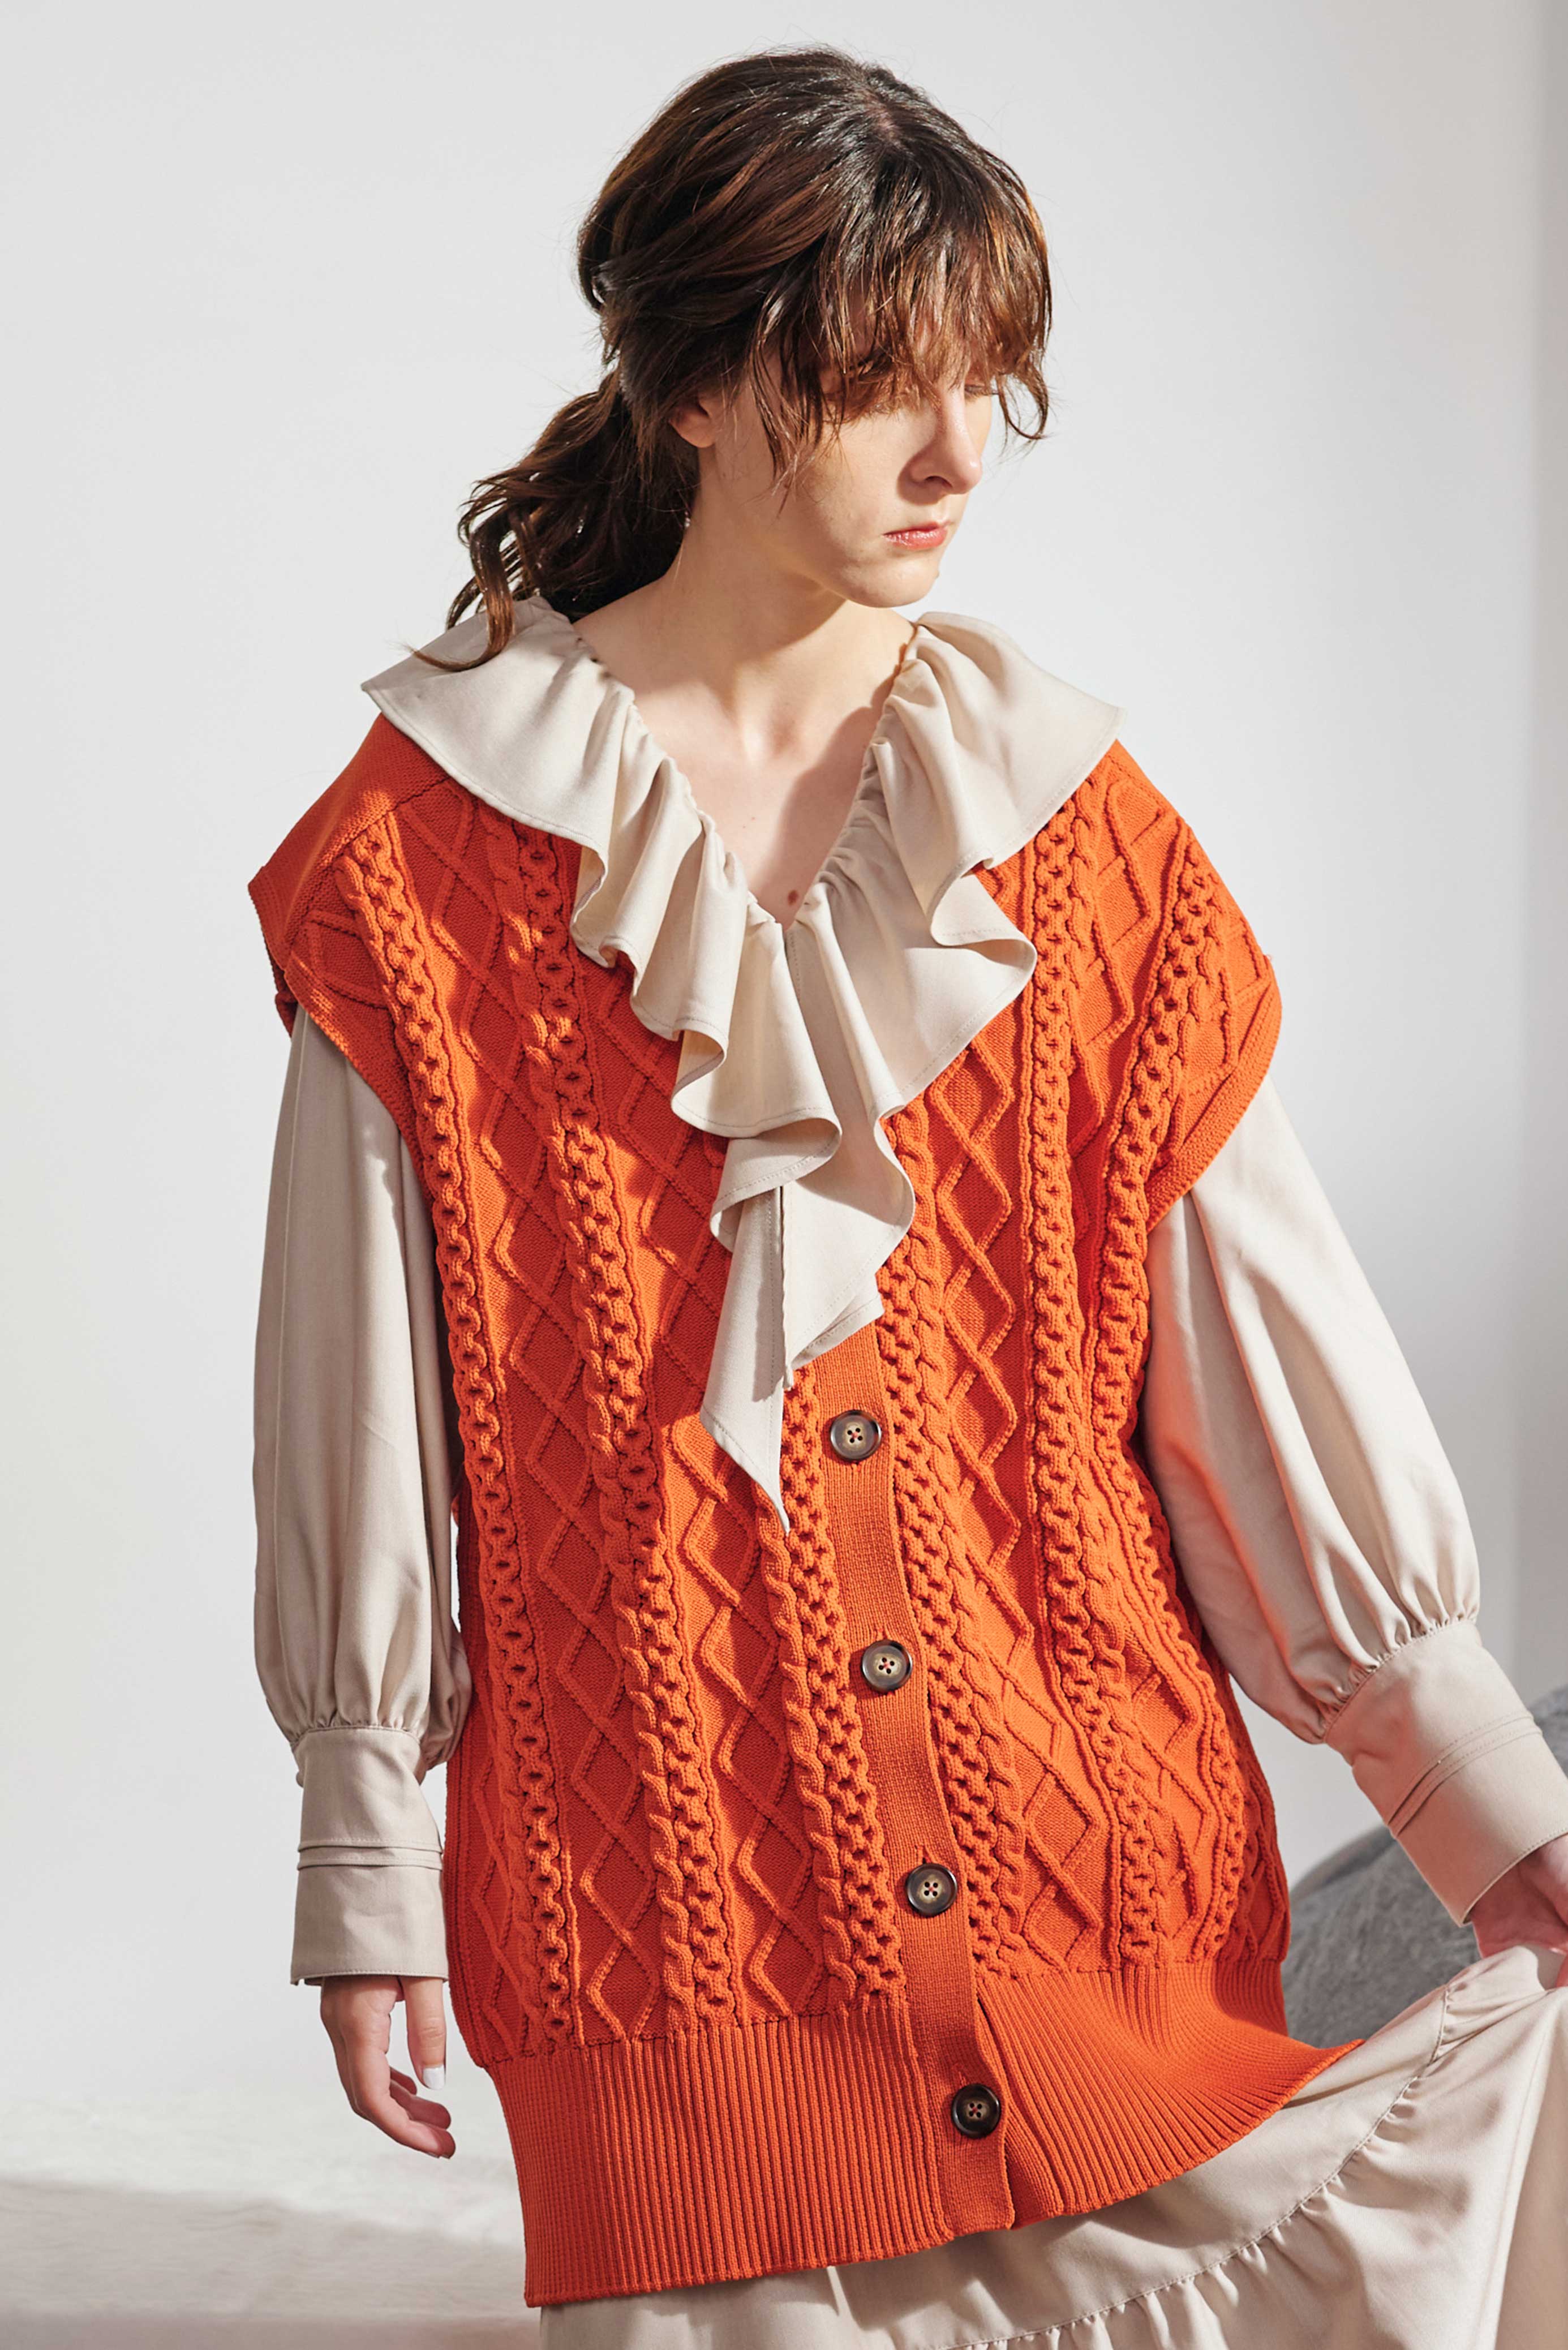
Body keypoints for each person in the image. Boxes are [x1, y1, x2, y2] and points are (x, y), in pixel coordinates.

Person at [247, 44, 1568, 2349]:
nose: (960, 457)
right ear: (690, 386)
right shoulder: (422, 861)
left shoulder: (1070, 832)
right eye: (880, 388)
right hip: (669, 1949)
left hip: (1109, 1924)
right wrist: (364, 1857)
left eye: (992, 387)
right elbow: (359, 1417)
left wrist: (1487, 1811)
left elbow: (1265, 1380)